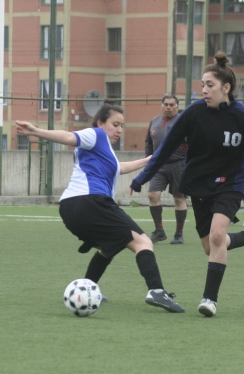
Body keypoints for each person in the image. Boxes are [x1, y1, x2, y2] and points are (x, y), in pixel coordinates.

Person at [130, 52, 244, 317]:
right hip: (199, 187)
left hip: (230, 185)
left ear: (226, 88)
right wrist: (142, 177)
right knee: (210, 246)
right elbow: (165, 149)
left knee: (215, 237)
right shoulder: (193, 113)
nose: (204, 90)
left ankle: (209, 300)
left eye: (210, 85)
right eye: (202, 85)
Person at [15, 100, 185, 313]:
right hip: (91, 202)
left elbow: (119, 168)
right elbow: (69, 137)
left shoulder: (103, 150)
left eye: (122, 125)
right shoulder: (96, 134)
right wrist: (36, 131)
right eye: (115, 124)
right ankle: (156, 291)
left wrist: (150, 159)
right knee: (142, 242)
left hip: (70, 208)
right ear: (100, 123)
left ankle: (86, 287)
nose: (119, 130)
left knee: (108, 247)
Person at [144, 94, 187, 244]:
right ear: (162, 106)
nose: (168, 107)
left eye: (171, 105)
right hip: (159, 165)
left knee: (178, 198)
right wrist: (148, 160)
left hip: (179, 164)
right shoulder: (154, 121)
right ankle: (159, 231)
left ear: (177, 106)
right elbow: (148, 143)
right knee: (152, 195)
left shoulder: (183, 122)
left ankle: (179, 234)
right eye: (166, 104)